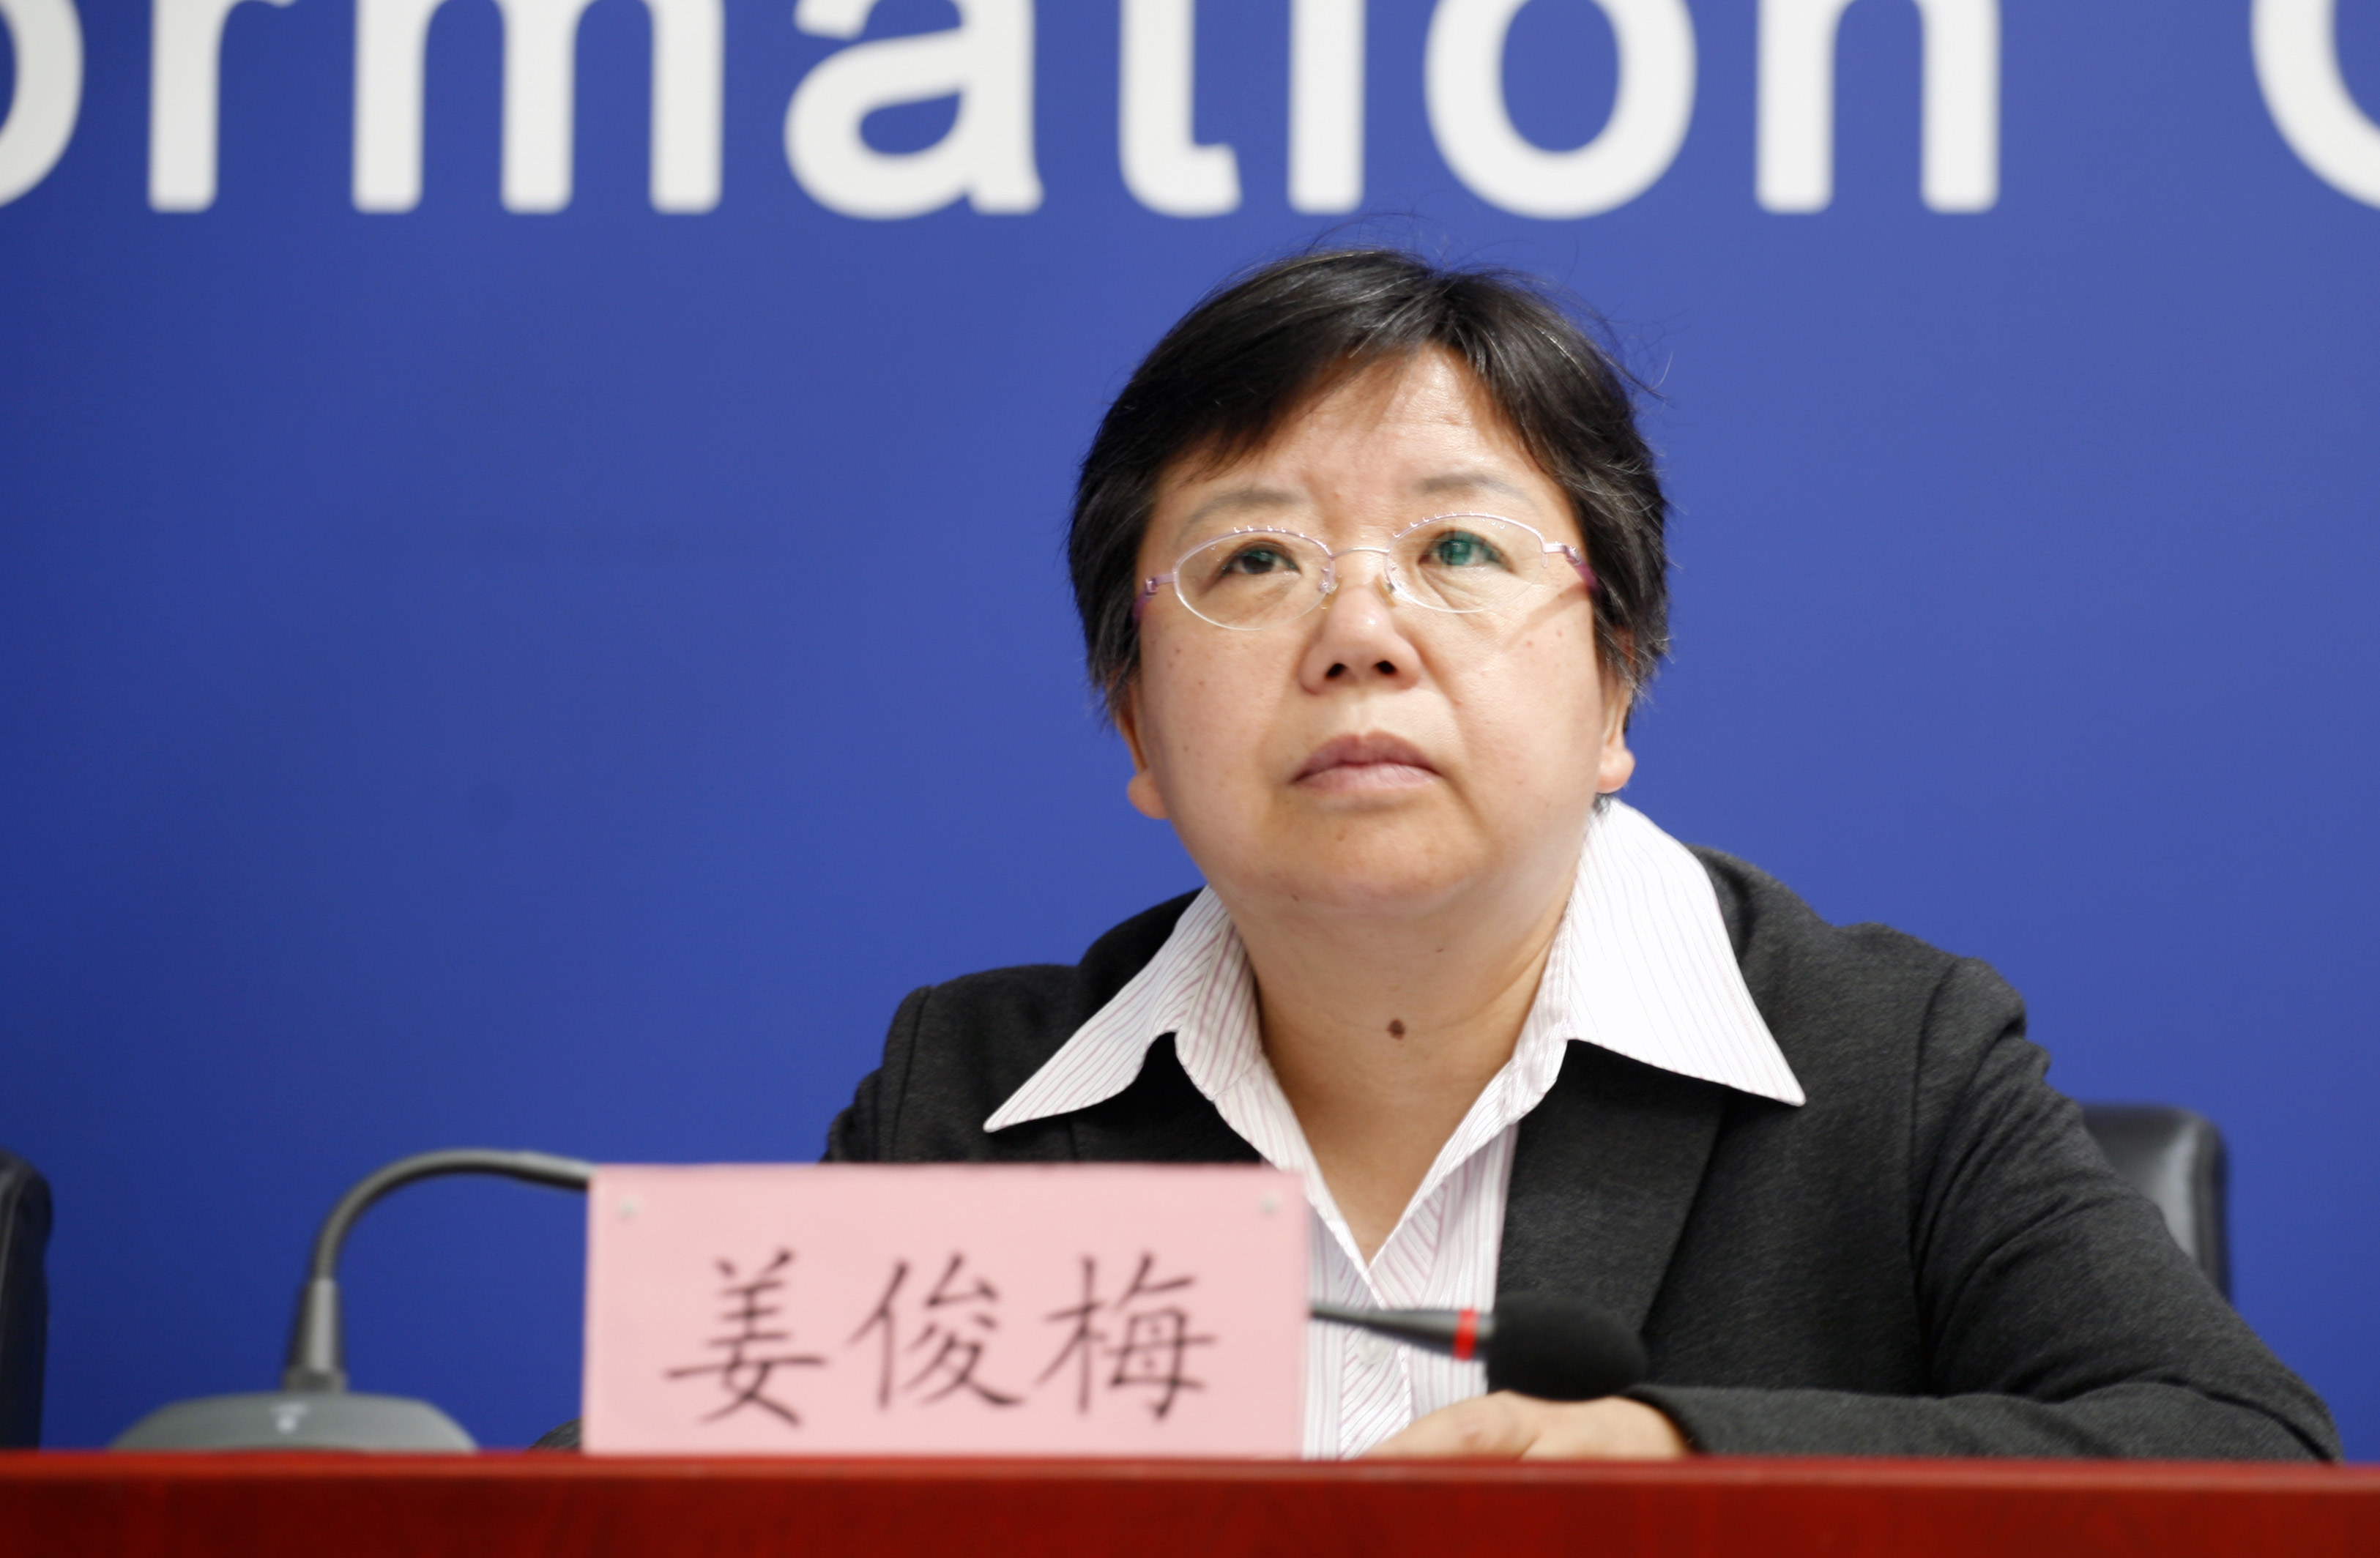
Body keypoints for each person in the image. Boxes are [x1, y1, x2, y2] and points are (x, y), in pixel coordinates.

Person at [823, 249, 2338, 1461]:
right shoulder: (968, 1106)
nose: (1358, 633)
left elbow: (2232, 1451)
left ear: (1615, 686)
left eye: (1456, 549)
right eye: (1255, 559)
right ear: (1135, 722)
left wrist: (1675, 1464)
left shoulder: (1886, 1065)